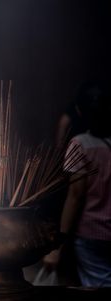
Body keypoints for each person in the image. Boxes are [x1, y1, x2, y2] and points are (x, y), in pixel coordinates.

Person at [44, 83, 111, 287]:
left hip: (91, 234)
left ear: (79, 112)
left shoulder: (79, 145)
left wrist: (57, 247)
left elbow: (75, 196)